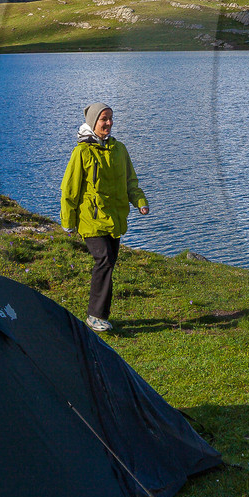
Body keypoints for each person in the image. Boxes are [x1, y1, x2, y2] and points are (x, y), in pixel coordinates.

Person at [60, 103, 148, 332]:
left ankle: (101, 316)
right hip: (91, 219)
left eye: (110, 118)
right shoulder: (82, 152)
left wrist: (139, 201)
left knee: (109, 262)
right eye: (103, 119)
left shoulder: (120, 150)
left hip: (114, 219)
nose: (108, 123)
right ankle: (95, 316)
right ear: (92, 123)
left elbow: (130, 181)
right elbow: (70, 190)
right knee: (104, 259)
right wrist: (68, 223)